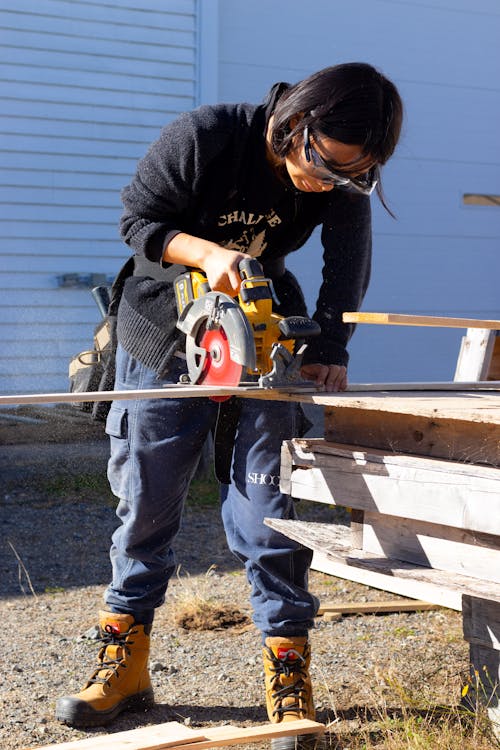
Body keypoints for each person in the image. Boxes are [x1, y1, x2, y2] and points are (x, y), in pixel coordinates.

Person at [56, 62, 403, 740]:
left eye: (350, 175)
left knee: (268, 509)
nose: (328, 185)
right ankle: (124, 664)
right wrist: (206, 253)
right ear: (297, 123)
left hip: (263, 333)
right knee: (146, 501)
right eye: (323, 167)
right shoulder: (207, 135)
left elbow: (347, 252)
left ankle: (288, 669)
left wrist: (330, 344)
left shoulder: (345, 164)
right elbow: (138, 220)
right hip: (165, 329)